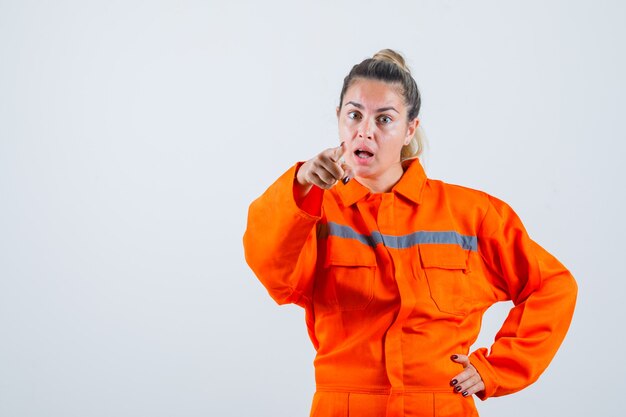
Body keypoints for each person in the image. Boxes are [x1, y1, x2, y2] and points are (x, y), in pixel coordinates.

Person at [243, 49, 577, 417]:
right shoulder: (317, 211)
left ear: (410, 129)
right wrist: (302, 183)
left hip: (442, 405)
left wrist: (495, 370)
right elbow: (271, 268)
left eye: (384, 119)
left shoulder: (471, 214)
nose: (365, 130)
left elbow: (553, 286)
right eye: (354, 115)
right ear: (338, 119)